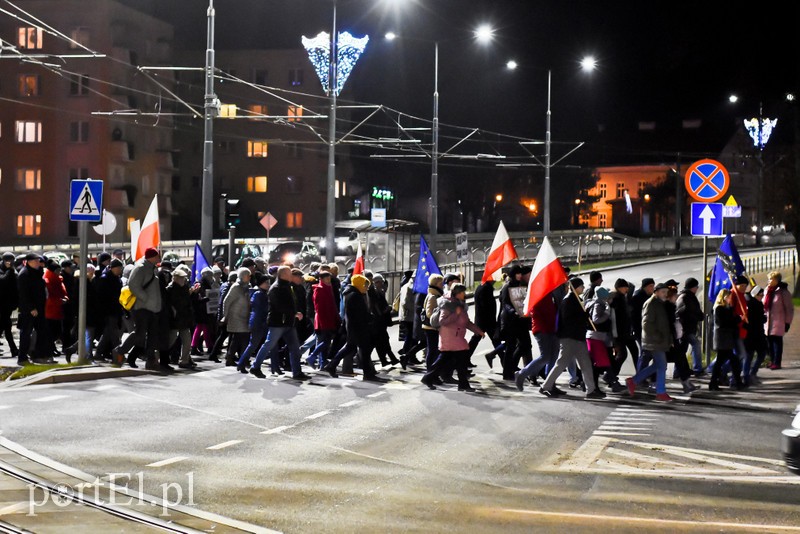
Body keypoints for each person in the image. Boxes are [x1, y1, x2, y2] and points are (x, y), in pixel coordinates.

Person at [539, 278, 603, 399]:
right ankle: (545, 386)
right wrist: (583, 315)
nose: (583, 288)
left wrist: (584, 315)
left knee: (585, 364)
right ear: (575, 287)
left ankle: (591, 390)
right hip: (569, 338)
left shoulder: (577, 300)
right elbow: (568, 320)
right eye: (581, 286)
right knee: (561, 364)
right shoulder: (568, 301)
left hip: (578, 337)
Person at [247, 266, 311, 381]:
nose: (291, 275)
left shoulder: (287, 286)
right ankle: (255, 366)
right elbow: (279, 306)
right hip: (278, 322)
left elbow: (289, 303)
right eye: (289, 273)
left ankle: (297, 372)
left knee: (294, 348)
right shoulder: (276, 288)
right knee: (269, 345)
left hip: (287, 322)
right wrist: (294, 313)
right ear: (283, 275)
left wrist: (294, 313)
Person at [421, 284, 484, 392]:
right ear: (457, 293)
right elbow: (442, 321)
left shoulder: (460, 304)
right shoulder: (448, 305)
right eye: (462, 292)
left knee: (452, 361)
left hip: (456, 337)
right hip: (450, 337)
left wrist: (478, 331)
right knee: (459, 361)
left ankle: (428, 378)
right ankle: (462, 384)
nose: (464, 294)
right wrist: (456, 314)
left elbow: (466, 322)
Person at [112, 248, 163, 371]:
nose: (159, 258)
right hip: (142, 308)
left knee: (152, 336)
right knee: (140, 333)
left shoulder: (152, 268)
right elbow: (133, 285)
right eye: (157, 256)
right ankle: (119, 351)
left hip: (153, 308)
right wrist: (145, 298)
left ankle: (151, 361)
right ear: (152, 256)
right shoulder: (140, 268)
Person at [325, 274, 381, 382]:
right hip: (358, 328)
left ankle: (332, 365)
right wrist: (370, 318)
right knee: (363, 350)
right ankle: (367, 373)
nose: (366, 288)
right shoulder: (355, 296)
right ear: (359, 284)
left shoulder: (352, 294)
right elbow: (359, 314)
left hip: (354, 327)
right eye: (365, 285)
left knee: (351, 348)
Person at [626, 283, 673, 402]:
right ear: (656, 292)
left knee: (658, 365)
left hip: (658, 341)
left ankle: (634, 381)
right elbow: (646, 324)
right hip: (654, 341)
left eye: (666, 292)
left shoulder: (660, 304)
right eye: (663, 292)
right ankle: (661, 392)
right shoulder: (651, 304)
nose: (665, 294)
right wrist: (658, 336)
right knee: (662, 365)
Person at [514, 286, 560, 392]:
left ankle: (550, 384)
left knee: (553, 358)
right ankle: (522, 374)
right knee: (545, 357)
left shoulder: (550, 295)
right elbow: (537, 313)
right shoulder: (538, 296)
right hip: (543, 330)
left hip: (552, 329)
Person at [236, 272, 271, 372]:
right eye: (266, 282)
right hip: (258, 323)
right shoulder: (260, 294)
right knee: (254, 344)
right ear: (261, 283)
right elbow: (262, 309)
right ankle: (242, 363)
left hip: (258, 322)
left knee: (255, 344)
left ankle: (242, 363)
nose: (268, 284)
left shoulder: (259, 293)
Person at [16, 253, 48, 365]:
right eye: (36, 261)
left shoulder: (37, 272)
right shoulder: (24, 274)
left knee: (41, 332)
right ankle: (22, 358)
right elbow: (24, 294)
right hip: (29, 310)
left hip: (39, 308)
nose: (38, 263)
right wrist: (31, 308)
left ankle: (37, 355)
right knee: (26, 333)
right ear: (29, 261)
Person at [606, 278, 636, 392]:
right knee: (621, 355)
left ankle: (611, 376)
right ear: (619, 287)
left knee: (621, 355)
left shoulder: (621, 297)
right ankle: (611, 377)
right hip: (617, 333)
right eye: (625, 287)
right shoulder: (617, 298)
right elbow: (617, 318)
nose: (627, 289)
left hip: (622, 333)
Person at [710, 289, 744, 390]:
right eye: (728, 297)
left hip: (726, 339)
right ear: (723, 297)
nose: (730, 299)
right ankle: (736, 382)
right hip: (722, 339)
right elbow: (724, 323)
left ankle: (714, 383)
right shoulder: (719, 309)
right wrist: (737, 319)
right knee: (731, 361)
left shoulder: (726, 308)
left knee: (723, 361)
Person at [94, 258, 124, 363]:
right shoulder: (105, 279)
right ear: (113, 268)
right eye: (119, 268)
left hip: (115, 309)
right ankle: (119, 354)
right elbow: (101, 297)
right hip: (108, 310)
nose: (120, 270)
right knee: (114, 334)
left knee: (108, 333)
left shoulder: (117, 279)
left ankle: (98, 353)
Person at [307, 271, 339, 370]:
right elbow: (319, 307)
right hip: (324, 319)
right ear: (322, 279)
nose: (329, 280)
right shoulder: (319, 290)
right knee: (325, 341)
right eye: (327, 279)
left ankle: (322, 362)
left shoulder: (328, 288)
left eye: (329, 278)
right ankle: (313, 356)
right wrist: (325, 320)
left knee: (326, 342)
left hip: (330, 318)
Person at [167, 269, 198, 369]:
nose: (183, 280)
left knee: (187, 340)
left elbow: (186, 301)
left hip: (183, 317)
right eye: (181, 278)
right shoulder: (170, 289)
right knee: (171, 338)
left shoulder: (184, 288)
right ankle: (158, 355)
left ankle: (184, 360)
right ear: (175, 278)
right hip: (175, 318)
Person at [763, 271, 793, 370]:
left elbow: (789, 308)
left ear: (776, 280)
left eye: (771, 279)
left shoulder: (783, 292)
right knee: (769, 343)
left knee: (777, 342)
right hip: (767, 321)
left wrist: (787, 322)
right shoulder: (767, 290)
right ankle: (771, 361)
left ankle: (777, 362)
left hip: (778, 321)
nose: (769, 281)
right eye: (769, 279)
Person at [224, 268, 253, 368]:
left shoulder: (246, 287)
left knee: (237, 339)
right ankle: (241, 358)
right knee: (242, 338)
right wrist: (225, 315)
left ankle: (232, 358)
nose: (250, 277)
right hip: (236, 317)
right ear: (243, 276)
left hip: (245, 317)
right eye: (248, 275)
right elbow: (226, 301)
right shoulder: (236, 287)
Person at [369, 274, 400, 367]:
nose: (382, 284)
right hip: (378, 322)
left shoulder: (379, 291)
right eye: (380, 282)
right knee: (381, 341)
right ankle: (390, 359)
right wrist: (387, 310)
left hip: (380, 322)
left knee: (381, 341)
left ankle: (386, 360)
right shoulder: (374, 293)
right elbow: (377, 308)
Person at [676, 277, 704, 375]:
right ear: (693, 287)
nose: (697, 289)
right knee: (694, 345)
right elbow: (688, 312)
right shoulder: (686, 297)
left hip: (687, 328)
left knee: (682, 350)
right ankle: (697, 368)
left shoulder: (687, 296)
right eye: (696, 287)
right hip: (686, 328)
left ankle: (679, 371)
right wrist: (698, 316)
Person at [473, 278, 504, 369]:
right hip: (487, 321)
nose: (495, 280)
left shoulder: (483, 287)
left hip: (483, 320)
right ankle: (504, 361)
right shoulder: (486, 288)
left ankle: (503, 361)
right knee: (496, 340)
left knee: (476, 341)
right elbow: (487, 306)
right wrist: (492, 320)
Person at [43, 260, 68, 357]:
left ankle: (51, 348)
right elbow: (49, 296)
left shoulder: (57, 279)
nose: (60, 272)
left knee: (55, 331)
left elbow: (62, 292)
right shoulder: (49, 280)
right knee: (52, 332)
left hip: (56, 309)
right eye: (58, 270)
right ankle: (50, 349)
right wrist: (60, 301)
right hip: (51, 310)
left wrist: (64, 298)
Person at [745, 285, 768, 384]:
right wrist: (763, 318)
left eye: (763, 295)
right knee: (756, 355)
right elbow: (757, 319)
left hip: (755, 334)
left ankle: (750, 374)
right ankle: (750, 374)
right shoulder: (754, 305)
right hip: (754, 334)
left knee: (753, 355)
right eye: (760, 295)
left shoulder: (756, 303)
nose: (762, 296)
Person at [422, 274, 445, 371]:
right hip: (431, 328)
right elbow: (429, 313)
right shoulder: (433, 296)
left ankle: (433, 372)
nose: (442, 285)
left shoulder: (436, 295)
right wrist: (437, 319)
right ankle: (430, 372)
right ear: (435, 284)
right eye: (440, 283)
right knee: (432, 351)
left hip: (433, 327)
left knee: (434, 350)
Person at [0, 252, 20, 358]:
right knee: (6, 326)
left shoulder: (12, 270)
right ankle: (14, 349)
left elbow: (15, 286)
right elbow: (2, 281)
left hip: (8, 304)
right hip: (2, 304)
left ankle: (14, 349)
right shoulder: (4, 270)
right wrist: (9, 270)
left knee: (5, 326)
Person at [631, 278, 655, 347]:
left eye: (653, 285)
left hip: (649, 328)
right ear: (645, 287)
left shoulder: (650, 295)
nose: (652, 288)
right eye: (651, 286)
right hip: (640, 329)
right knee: (645, 350)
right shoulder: (637, 297)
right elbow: (635, 316)